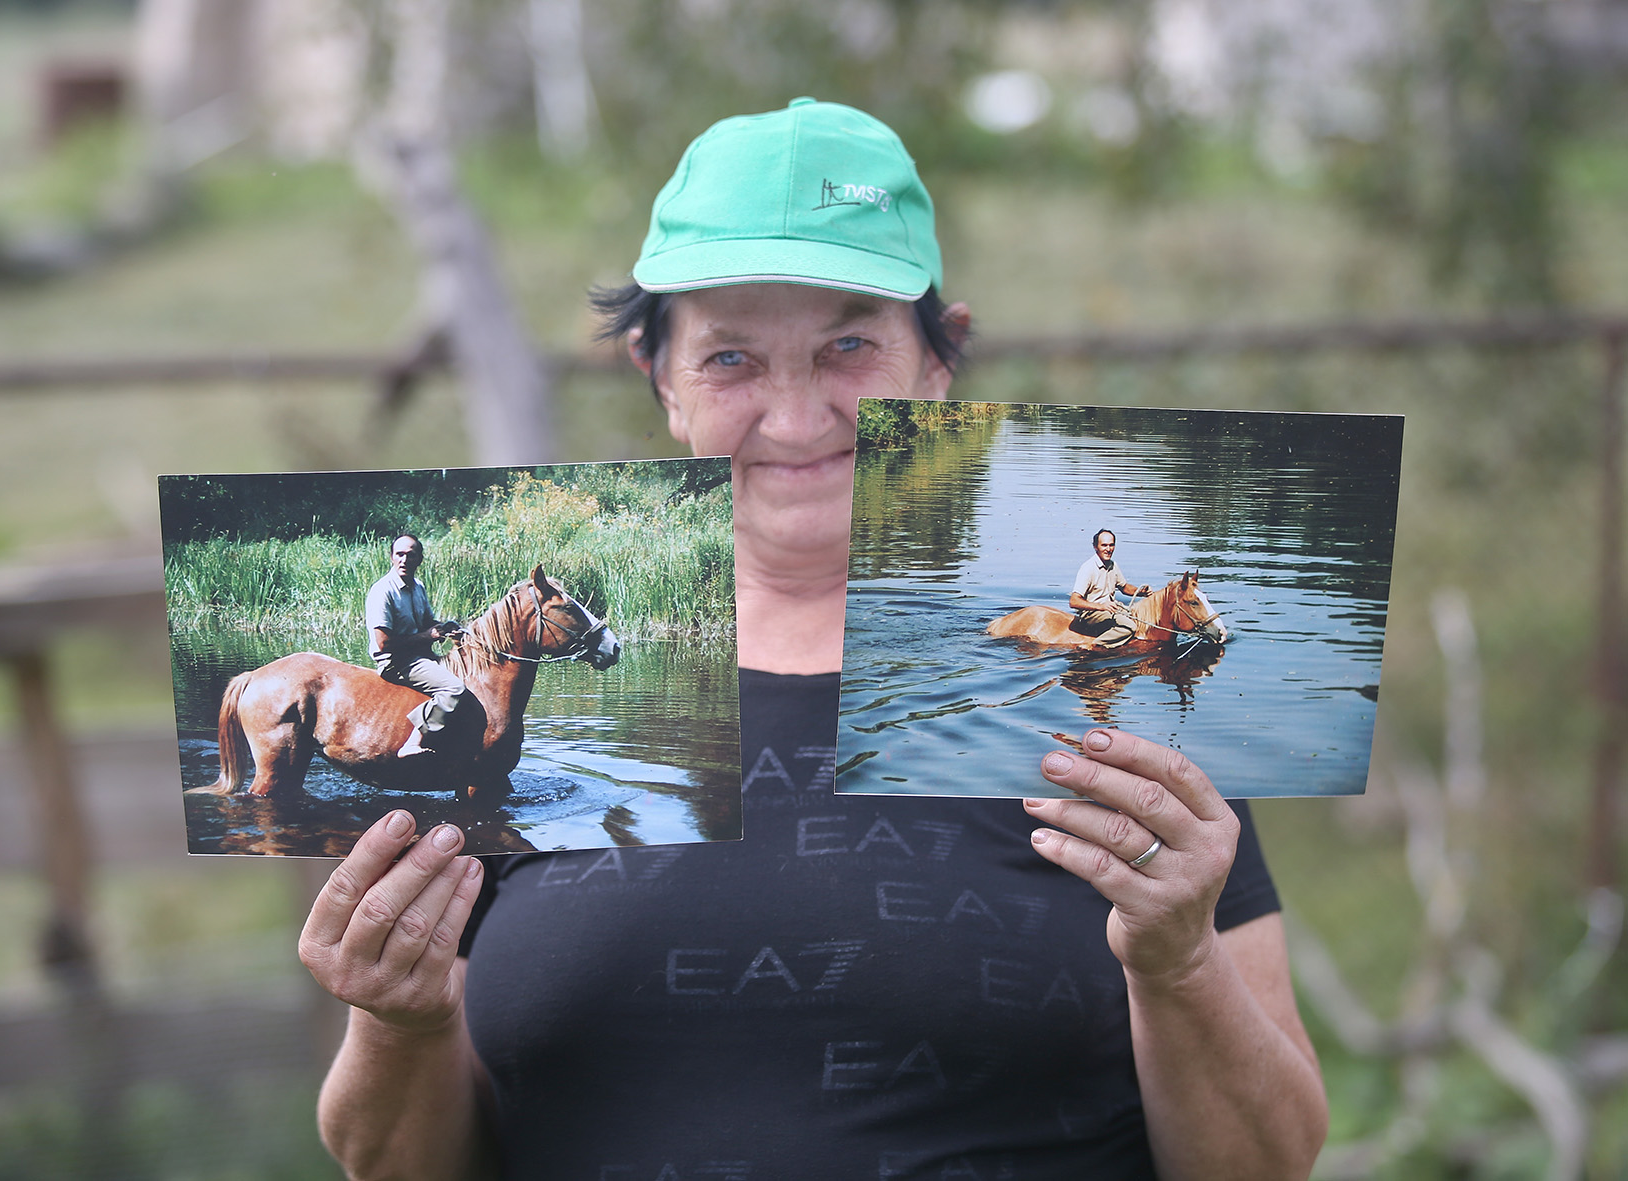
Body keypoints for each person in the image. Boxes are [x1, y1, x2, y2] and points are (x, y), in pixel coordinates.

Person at [300, 99, 1328, 1179]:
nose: (794, 418)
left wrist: (1176, 968)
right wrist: (399, 1023)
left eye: (848, 345)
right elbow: (392, 1161)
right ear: (662, 383)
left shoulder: (1099, 669)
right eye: (732, 358)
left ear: (939, 360)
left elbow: (1265, 1160)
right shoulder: (512, 714)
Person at [364, 533, 468, 758]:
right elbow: (383, 644)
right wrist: (429, 636)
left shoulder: (418, 586)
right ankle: (413, 741)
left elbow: (427, 624)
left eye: (410, 555)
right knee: (453, 688)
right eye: (399, 555)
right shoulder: (382, 591)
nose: (404, 560)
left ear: (419, 559)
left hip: (420, 656)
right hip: (396, 662)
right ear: (391, 557)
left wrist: (445, 627)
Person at [1069, 528, 1151, 649]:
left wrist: (1141, 593)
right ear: (1095, 547)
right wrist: (1101, 607)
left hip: (1110, 609)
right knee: (1130, 627)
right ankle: (1093, 645)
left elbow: (1124, 587)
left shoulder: (1112, 565)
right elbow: (1073, 601)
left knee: (1140, 620)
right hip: (1092, 613)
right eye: (1104, 545)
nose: (1108, 549)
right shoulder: (1088, 568)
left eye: (1111, 545)